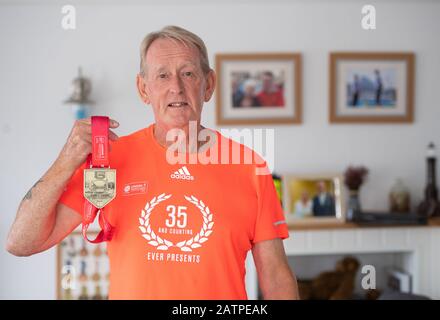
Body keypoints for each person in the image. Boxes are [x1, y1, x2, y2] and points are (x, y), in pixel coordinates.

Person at [6, 25, 298, 300]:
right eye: (162, 75)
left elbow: (275, 275)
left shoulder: (249, 167)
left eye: (188, 74)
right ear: (143, 88)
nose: (176, 87)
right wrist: (65, 162)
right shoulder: (109, 162)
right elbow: (21, 242)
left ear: (208, 85)